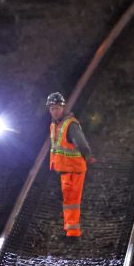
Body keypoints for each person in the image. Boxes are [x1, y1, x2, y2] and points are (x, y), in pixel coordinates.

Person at [47, 92, 95, 240]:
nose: (55, 111)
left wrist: (87, 156)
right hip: (65, 169)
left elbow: (81, 143)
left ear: (63, 107)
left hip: (74, 170)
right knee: (69, 200)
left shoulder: (70, 124)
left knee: (72, 201)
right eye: (52, 108)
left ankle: (73, 234)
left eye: (57, 108)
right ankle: (70, 230)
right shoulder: (55, 125)